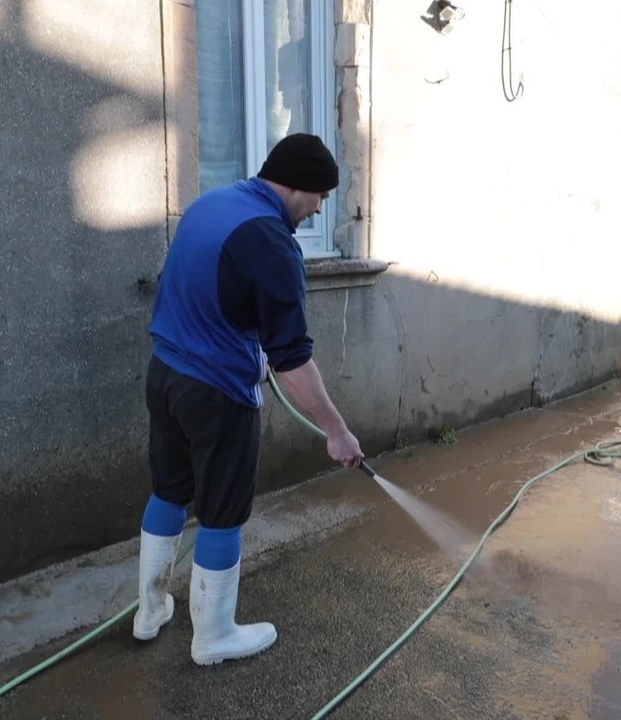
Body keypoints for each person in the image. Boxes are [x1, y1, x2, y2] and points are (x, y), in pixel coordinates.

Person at [132, 133, 365, 666]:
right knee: (221, 514)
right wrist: (336, 430)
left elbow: (203, 291)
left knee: (169, 491)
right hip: (216, 394)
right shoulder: (271, 242)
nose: (320, 208)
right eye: (320, 196)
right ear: (298, 186)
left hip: (164, 376)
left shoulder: (211, 204)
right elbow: (293, 361)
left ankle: (150, 612)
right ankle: (213, 638)